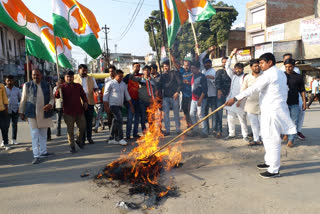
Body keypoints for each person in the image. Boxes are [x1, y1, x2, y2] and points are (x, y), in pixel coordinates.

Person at [225, 53, 297, 178]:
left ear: (270, 62)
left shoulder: (270, 74)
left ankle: (274, 169)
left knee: (272, 138)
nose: (260, 65)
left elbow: (254, 88)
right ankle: (269, 162)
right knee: (266, 136)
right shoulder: (279, 73)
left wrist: (235, 98)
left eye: (262, 63)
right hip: (270, 109)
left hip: (273, 110)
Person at [19, 69, 55, 164]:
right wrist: (21, 111)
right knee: (34, 134)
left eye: (38, 75)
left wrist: (50, 105)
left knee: (43, 134)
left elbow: (52, 98)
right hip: (32, 113)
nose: (36, 76)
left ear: (41, 75)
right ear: (32, 76)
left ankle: (43, 152)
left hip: (44, 113)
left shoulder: (47, 85)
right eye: (34, 75)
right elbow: (23, 99)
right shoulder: (27, 85)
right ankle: (36, 155)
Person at [55, 71, 88, 154]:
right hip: (68, 112)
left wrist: (85, 102)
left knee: (83, 126)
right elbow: (57, 96)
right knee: (70, 130)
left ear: (73, 77)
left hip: (79, 110)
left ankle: (78, 140)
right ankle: (72, 146)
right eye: (67, 76)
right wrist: (57, 88)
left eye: (71, 76)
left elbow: (83, 95)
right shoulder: (62, 87)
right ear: (65, 78)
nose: (69, 78)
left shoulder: (78, 86)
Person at [103, 70, 134, 145]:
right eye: (119, 76)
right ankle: (120, 138)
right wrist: (106, 106)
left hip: (120, 105)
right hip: (113, 105)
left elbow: (127, 95)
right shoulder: (110, 83)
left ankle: (111, 138)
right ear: (115, 76)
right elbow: (105, 95)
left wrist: (131, 105)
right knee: (120, 120)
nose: (121, 78)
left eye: (122, 76)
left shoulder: (123, 84)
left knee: (115, 121)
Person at [224, 49, 249, 142]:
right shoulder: (233, 75)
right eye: (236, 69)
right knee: (230, 118)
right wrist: (231, 55)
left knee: (242, 119)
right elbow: (227, 66)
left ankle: (245, 135)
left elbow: (246, 91)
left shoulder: (245, 77)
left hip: (240, 101)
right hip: (231, 100)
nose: (237, 70)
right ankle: (231, 134)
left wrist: (240, 101)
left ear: (242, 69)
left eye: (239, 69)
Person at [281, 59, 306, 148]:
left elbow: (302, 90)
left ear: (294, 67)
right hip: (283, 103)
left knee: (294, 121)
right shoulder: (282, 76)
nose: (288, 68)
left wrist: (304, 102)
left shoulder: (298, 77)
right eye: (286, 67)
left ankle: (291, 140)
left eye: (290, 66)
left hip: (294, 102)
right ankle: (286, 134)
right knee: (284, 120)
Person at [238, 59, 262, 146]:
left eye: (258, 65)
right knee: (254, 123)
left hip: (263, 104)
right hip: (251, 104)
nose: (257, 67)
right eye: (255, 66)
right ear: (251, 67)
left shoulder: (264, 75)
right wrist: (239, 100)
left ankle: (262, 138)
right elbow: (243, 90)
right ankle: (256, 139)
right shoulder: (247, 77)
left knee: (262, 123)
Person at [74, 64, 99, 145]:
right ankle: (82, 139)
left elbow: (95, 87)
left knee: (89, 122)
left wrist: (96, 92)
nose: (85, 72)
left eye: (86, 70)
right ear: (79, 70)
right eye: (83, 70)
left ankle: (89, 137)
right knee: (81, 123)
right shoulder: (74, 78)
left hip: (90, 102)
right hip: (79, 104)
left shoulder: (91, 78)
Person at [127, 65, 156, 132]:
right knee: (143, 117)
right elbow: (130, 77)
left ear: (150, 71)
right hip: (142, 101)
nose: (147, 72)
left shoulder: (153, 80)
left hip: (151, 101)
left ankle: (152, 131)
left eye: (148, 70)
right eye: (145, 70)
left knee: (151, 117)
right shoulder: (140, 79)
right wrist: (134, 70)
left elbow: (155, 90)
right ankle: (144, 131)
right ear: (143, 71)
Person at [159, 60, 182, 136]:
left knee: (176, 113)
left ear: (170, 66)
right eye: (164, 66)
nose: (165, 67)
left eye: (167, 66)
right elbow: (160, 86)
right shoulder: (162, 75)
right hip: (165, 97)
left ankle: (178, 129)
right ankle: (167, 130)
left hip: (174, 96)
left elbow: (180, 83)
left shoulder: (174, 73)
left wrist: (177, 92)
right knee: (166, 115)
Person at [171, 54, 193, 128]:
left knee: (191, 111)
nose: (187, 67)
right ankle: (188, 125)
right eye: (185, 65)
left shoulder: (192, 71)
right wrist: (171, 53)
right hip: (184, 95)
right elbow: (174, 62)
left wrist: (188, 83)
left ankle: (192, 125)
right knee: (185, 111)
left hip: (192, 96)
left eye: (188, 65)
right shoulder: (182, 71)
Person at [188, 61, 208, 138]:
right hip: (193, 99)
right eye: (191, 68)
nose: (192, 70)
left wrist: (200, 99)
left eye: (194, 68)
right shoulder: (193, 76)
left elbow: (205, 90)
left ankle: (204, 131)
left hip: (201, 99)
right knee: (192, 114)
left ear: (198, 69)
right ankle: (195, 130)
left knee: (201, 115)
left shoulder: (202, 77)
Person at [200, 50, 217, 135]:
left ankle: (214, 129)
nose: (207, 64)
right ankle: (206, 130)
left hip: (213, 94)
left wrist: (211, 78)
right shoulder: (203, 71)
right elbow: (200, 58)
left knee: (214, 112)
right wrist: (207, 51)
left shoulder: (213, 72)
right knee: (204, 113)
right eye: (206, 63)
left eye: (209, 63)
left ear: (211, 64)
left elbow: (216, 82)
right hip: (205, 95)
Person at [123, 63, 142, 139]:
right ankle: (128, 135)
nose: (137, 68)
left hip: (139, 100)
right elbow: (122, 85)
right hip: (130, 100)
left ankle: (135, 133)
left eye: (138, 66)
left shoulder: (141, 76)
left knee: (137, 118)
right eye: (135, 66)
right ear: (132, 67)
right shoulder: (128, 76)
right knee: (130, 118)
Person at [215, 57, 231, 138]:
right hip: (220, 95)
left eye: (226, 62)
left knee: (229, 114)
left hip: (229, 95)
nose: (224, 63)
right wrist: (218, 90)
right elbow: (217, 82)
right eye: (223, 62)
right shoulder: (219, 72)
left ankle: (230, 131)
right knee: (219, 114)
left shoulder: (231, 72)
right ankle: (219, 131)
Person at [5, 75, 21, 145]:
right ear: (5, 81)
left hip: (15, 109)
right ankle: (4, 140)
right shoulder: (3, 89)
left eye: (11, 80)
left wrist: (19, 107)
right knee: (5, 126)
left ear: (13, 81)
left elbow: (20, 99)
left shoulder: (17, 90)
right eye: (8, 80)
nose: (9, 82)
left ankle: (14, 139)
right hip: (6, 110)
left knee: (14, 125)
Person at [104, 65, 117, 131]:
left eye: (112, 71)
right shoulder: (107, 80)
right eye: (109, 71)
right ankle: (111, 135)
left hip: (117, 102)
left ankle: (117, 135)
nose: (111, 73)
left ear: (115, 71)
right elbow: (106, 92)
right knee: (110, 120)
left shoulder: (118, 79)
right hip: (109, 103)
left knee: (117, 120)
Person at [0, 81, 10, 150]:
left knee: (4, 128)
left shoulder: (1, 86)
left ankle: (6, 143)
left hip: (1, 110)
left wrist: (6, 109)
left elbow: (5, 98)